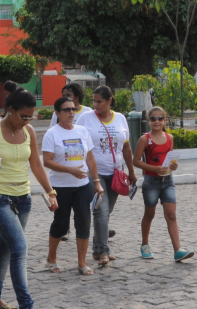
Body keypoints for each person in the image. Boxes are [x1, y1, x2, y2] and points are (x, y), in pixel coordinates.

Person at [0, 88, 58, 309]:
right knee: (19, 247)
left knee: (6, 248)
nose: (27, 120)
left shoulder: (29, 130)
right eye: (24, 116)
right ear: (10, 110)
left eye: (31, 116)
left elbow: (36, 165)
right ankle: (26, 304)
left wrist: (51, 192)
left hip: (23, 198)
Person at [76, 85, 137, 267]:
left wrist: (131, 171)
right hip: (94, 173)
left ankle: (96, 249)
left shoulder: (120, 118)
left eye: (99, 101)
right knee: (101, 211)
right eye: (93, 101)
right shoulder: (85, 118)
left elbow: (126, 147)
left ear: (109, 101)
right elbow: (77, 142)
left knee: (105, 212)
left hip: (116, 173)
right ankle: (103, 251)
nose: (95, 105)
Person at [41, 96, 101, 275]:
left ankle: (82, 262)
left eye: (73, 109)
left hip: (83, 185)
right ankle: (51, 258)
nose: (71, 112)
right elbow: (47, 162)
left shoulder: (82, 131)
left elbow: (90, 158)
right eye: (66, 109)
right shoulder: (52, 133)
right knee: (61, 223)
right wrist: (70, 170)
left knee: (83, 222)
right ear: (57, 113)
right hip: (60, 186)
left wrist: (96, 182)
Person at [133, 106, 193, 261]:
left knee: (171, 215)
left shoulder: (169, 137)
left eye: (160, 118)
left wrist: (173, 166)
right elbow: (136, 161)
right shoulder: (145, 139)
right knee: (149, 214)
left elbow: (170, 159)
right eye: (153, 118)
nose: (157, 121)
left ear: (165, 120)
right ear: (148, 121)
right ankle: (145, 244)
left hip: (168, 181)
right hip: (151, 182)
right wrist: (155, 169)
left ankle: (177, 250)